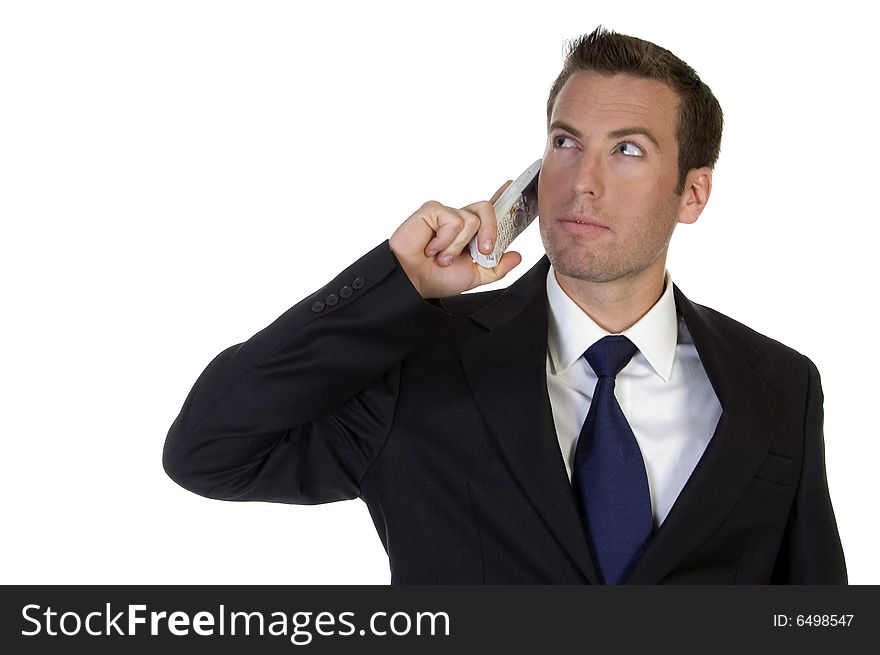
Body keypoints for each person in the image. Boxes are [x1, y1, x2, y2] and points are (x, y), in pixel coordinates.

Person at [163, 27, 846, 584]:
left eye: (628, 150)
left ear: (692, 194)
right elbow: (208, 450)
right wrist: (398, 283)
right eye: (565, 142)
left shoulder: (780, 386)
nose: (583, 182)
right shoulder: (417, 367)